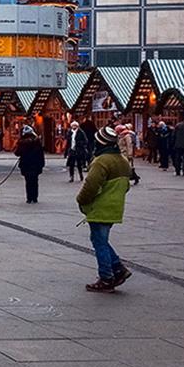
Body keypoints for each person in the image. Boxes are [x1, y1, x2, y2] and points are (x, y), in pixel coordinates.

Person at [76, 125, 133, 292]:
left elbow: (91, 185)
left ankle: (107, 277)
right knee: (100, 240)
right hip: (115, 206)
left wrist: (81, 200)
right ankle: (118, 268)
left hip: (100, 206)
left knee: (99, 242)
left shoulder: (101, 161)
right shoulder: (122, 161)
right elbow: (126, 186)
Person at [15, 125, 45, 203]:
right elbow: (41, 153)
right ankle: (35, 197)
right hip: (36, 164)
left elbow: (17, 153)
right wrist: (42, 164)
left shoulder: (22, 142)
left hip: (26, 164)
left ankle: (29, 198)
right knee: (35, 181)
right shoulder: (37, 141)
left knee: (28, 181)